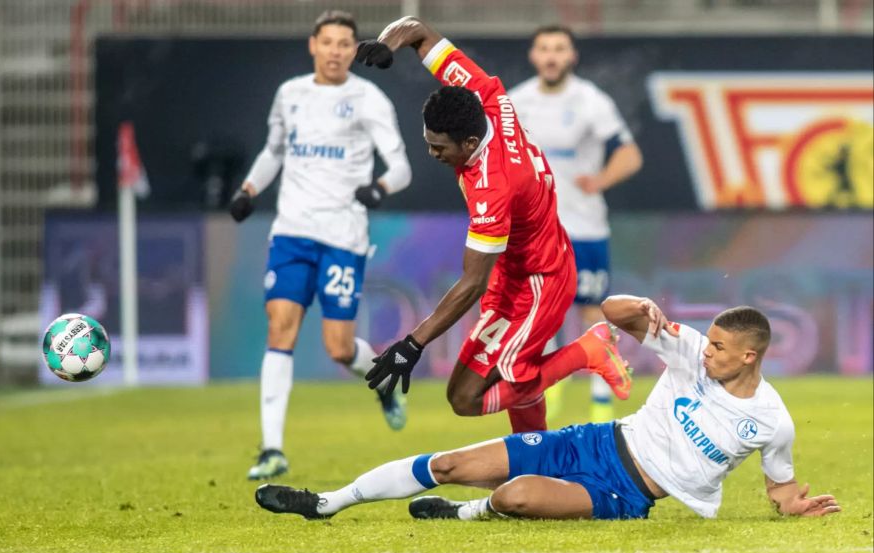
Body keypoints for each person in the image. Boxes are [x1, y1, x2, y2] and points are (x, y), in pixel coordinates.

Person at [255, 294, 841, 522]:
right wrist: (635, 306)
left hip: (628, 494)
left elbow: (780, 490)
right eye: (706, 341)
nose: (706, 350)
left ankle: (462, 515)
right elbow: (612, 314)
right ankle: (328, 502)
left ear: (749, 356)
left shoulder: (771, 420)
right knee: (453, 463)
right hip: (593, 441)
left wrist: (797, 507)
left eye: (719, 347)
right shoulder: (689, 352)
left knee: (513, 497)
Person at [352, 17, 633, 435]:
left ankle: (588, 350)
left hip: (540, 280)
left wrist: (412, 344)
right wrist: (388, 43)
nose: (431, 153)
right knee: (492, 386)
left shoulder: (494, 186)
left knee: (468, 399)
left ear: (468, 144)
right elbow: (418, 29)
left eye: (438, 147)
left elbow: (471, 283)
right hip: (514, 271)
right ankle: (533, 463)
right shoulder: (487, 95)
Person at [230, 10, 413, 480]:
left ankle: (385, 383)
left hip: (342, 237)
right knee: (281, 328)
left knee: (337, 347)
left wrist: (380, 189)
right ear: (313, 45)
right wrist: (249, 190)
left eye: (344, 43)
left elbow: (401, 167)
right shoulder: (290, 95)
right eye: (327, 42)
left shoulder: (368, 99)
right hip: (292, 232)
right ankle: (271, 449)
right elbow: (274, 152)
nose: (335, 51)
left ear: (355, 49)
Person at [508, 26, 643, 424]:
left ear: (571, 56)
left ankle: (601, 405)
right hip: (536, 229)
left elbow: (630, 154)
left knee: (592, 315)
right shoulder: (516, 101)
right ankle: (546, 392)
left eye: (559, 49)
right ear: (534, 55)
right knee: (539, 315)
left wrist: (600, 180)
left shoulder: (590, 101)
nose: (551, 56)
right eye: (545, 48)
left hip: (583, 228)